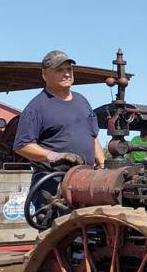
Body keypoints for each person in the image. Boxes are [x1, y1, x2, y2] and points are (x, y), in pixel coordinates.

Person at [14, 50, 105, 190]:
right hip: (53, 186)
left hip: (85, 183)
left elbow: (93, 137)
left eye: (69, 69)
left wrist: (102, 166)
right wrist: (53, 156)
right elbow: (22, 146)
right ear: (45, 74)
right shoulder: (36, 107)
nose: (67, 74)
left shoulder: (82, 101)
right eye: (59, 70)